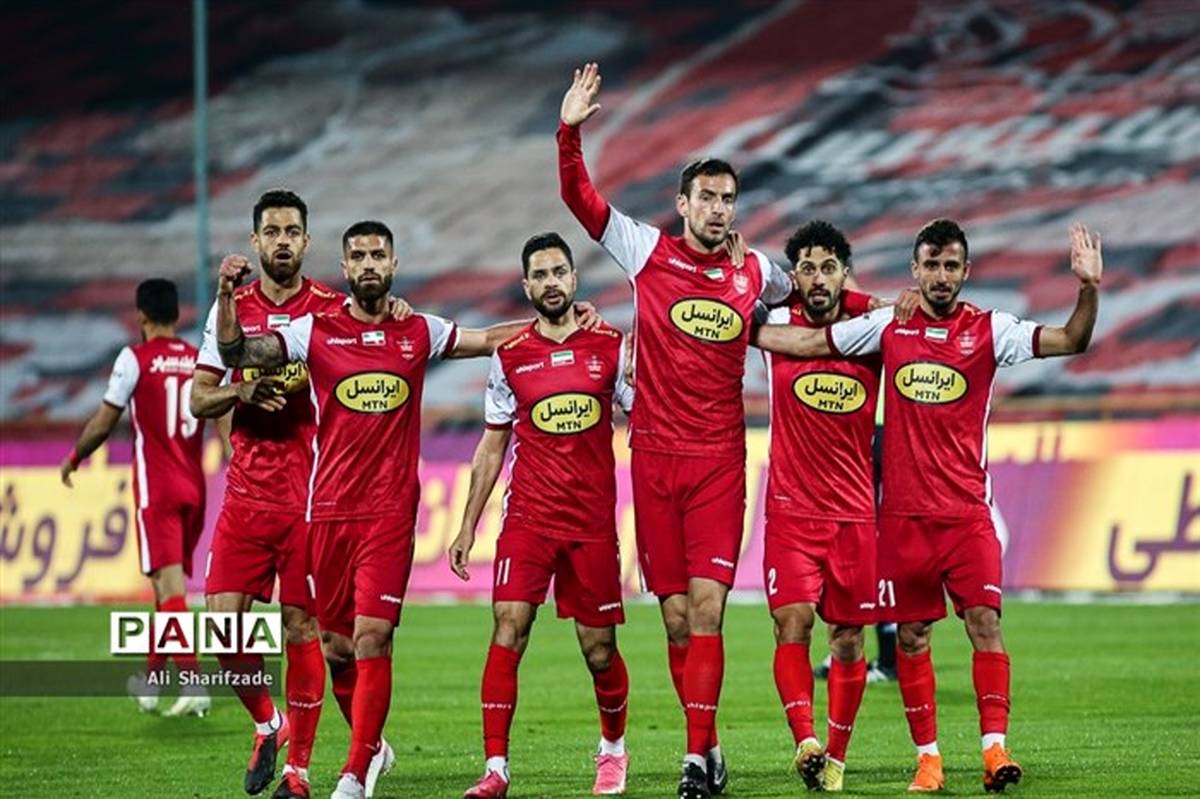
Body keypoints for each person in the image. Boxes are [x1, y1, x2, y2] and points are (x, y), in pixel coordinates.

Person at [755, 219, 1103, 793]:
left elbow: (1072, 340)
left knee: (985, 623)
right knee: (911, 636)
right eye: (931, 265)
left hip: (967, 513)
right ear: (914, 270)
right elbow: (814, 342)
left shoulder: (991, 329)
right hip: (901, 519)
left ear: (966, 271)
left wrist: (1088, 288)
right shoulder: (890, 325)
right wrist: (733, 328)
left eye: (951, 266)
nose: (941, 276)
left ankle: (995, 749)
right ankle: (929, 761)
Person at [215, 220, 555, 799]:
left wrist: (555, 322)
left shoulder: (418, 330)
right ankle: (366, 748)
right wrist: (227, 296)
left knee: (373, 636)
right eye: (359, 256)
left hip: (390, 515)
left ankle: (352, 775)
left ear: (394, 265)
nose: (369, 264)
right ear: (345, 268)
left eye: (379, 255)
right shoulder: (314, 330)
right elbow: (237, 351)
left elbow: (483, 340)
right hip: (328, 512)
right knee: (335, 647)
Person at [558, 62, 796, 799]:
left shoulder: (756, 271)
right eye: (708, 198)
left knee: (707, 609)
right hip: (654, 459)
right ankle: (709, 743)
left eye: (729, 200)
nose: (719, 210)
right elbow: (580, 200)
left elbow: (808, 288)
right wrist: (569, 132)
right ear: (682, 203)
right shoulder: (646, 252)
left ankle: (693, 761)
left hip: (720, 462)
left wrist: (869, 301)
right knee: (674, 621)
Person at [192, 189, 393, 798]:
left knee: (303, 628)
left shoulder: (331, 312)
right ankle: (268, 722)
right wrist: (240, 392)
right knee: (220, 628)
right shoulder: (231, 313)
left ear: (307, 241)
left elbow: (385, 336)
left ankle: (298, 772)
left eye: (292, 232)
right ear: (256, 241)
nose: (282, 241)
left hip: (312, 498)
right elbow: (199, 398)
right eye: (272, 232)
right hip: (247, 496)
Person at [448, 233, 635, 798]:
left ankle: (613, 749)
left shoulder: (610, 346)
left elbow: (646, 422)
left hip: (591, 524)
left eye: (559, 272)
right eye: (540, 275)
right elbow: (492, 445)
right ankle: (496, 769)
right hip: (527, 519)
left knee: (599, 650)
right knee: (508, 626)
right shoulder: (510, 355)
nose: (551, 283)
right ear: (526, 286)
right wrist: (467, 523)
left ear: (574, 279)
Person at [750, 221, 881, 792]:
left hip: (854, 514)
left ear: (844, 274)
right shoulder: (776, 321)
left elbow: (916, 315)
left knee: (848, 639)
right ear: (794, 276)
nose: (819, 278)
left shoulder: (872, 328)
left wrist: (867, 301)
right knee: (793, 622)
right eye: (807, 268)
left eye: (829, 267)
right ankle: (805, 739)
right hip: (790, 510)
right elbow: (715, 305)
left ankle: (836, 758)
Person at [61, 278, 209, 718]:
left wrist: (74, 457)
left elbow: (104, 422)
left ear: (141, 316)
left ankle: (194, 683)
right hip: (195, 488)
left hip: (158, 489)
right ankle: (152, 681)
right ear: (177, 314)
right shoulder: (197, 358)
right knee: (167, 590)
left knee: (171, 591)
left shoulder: (135, 358)